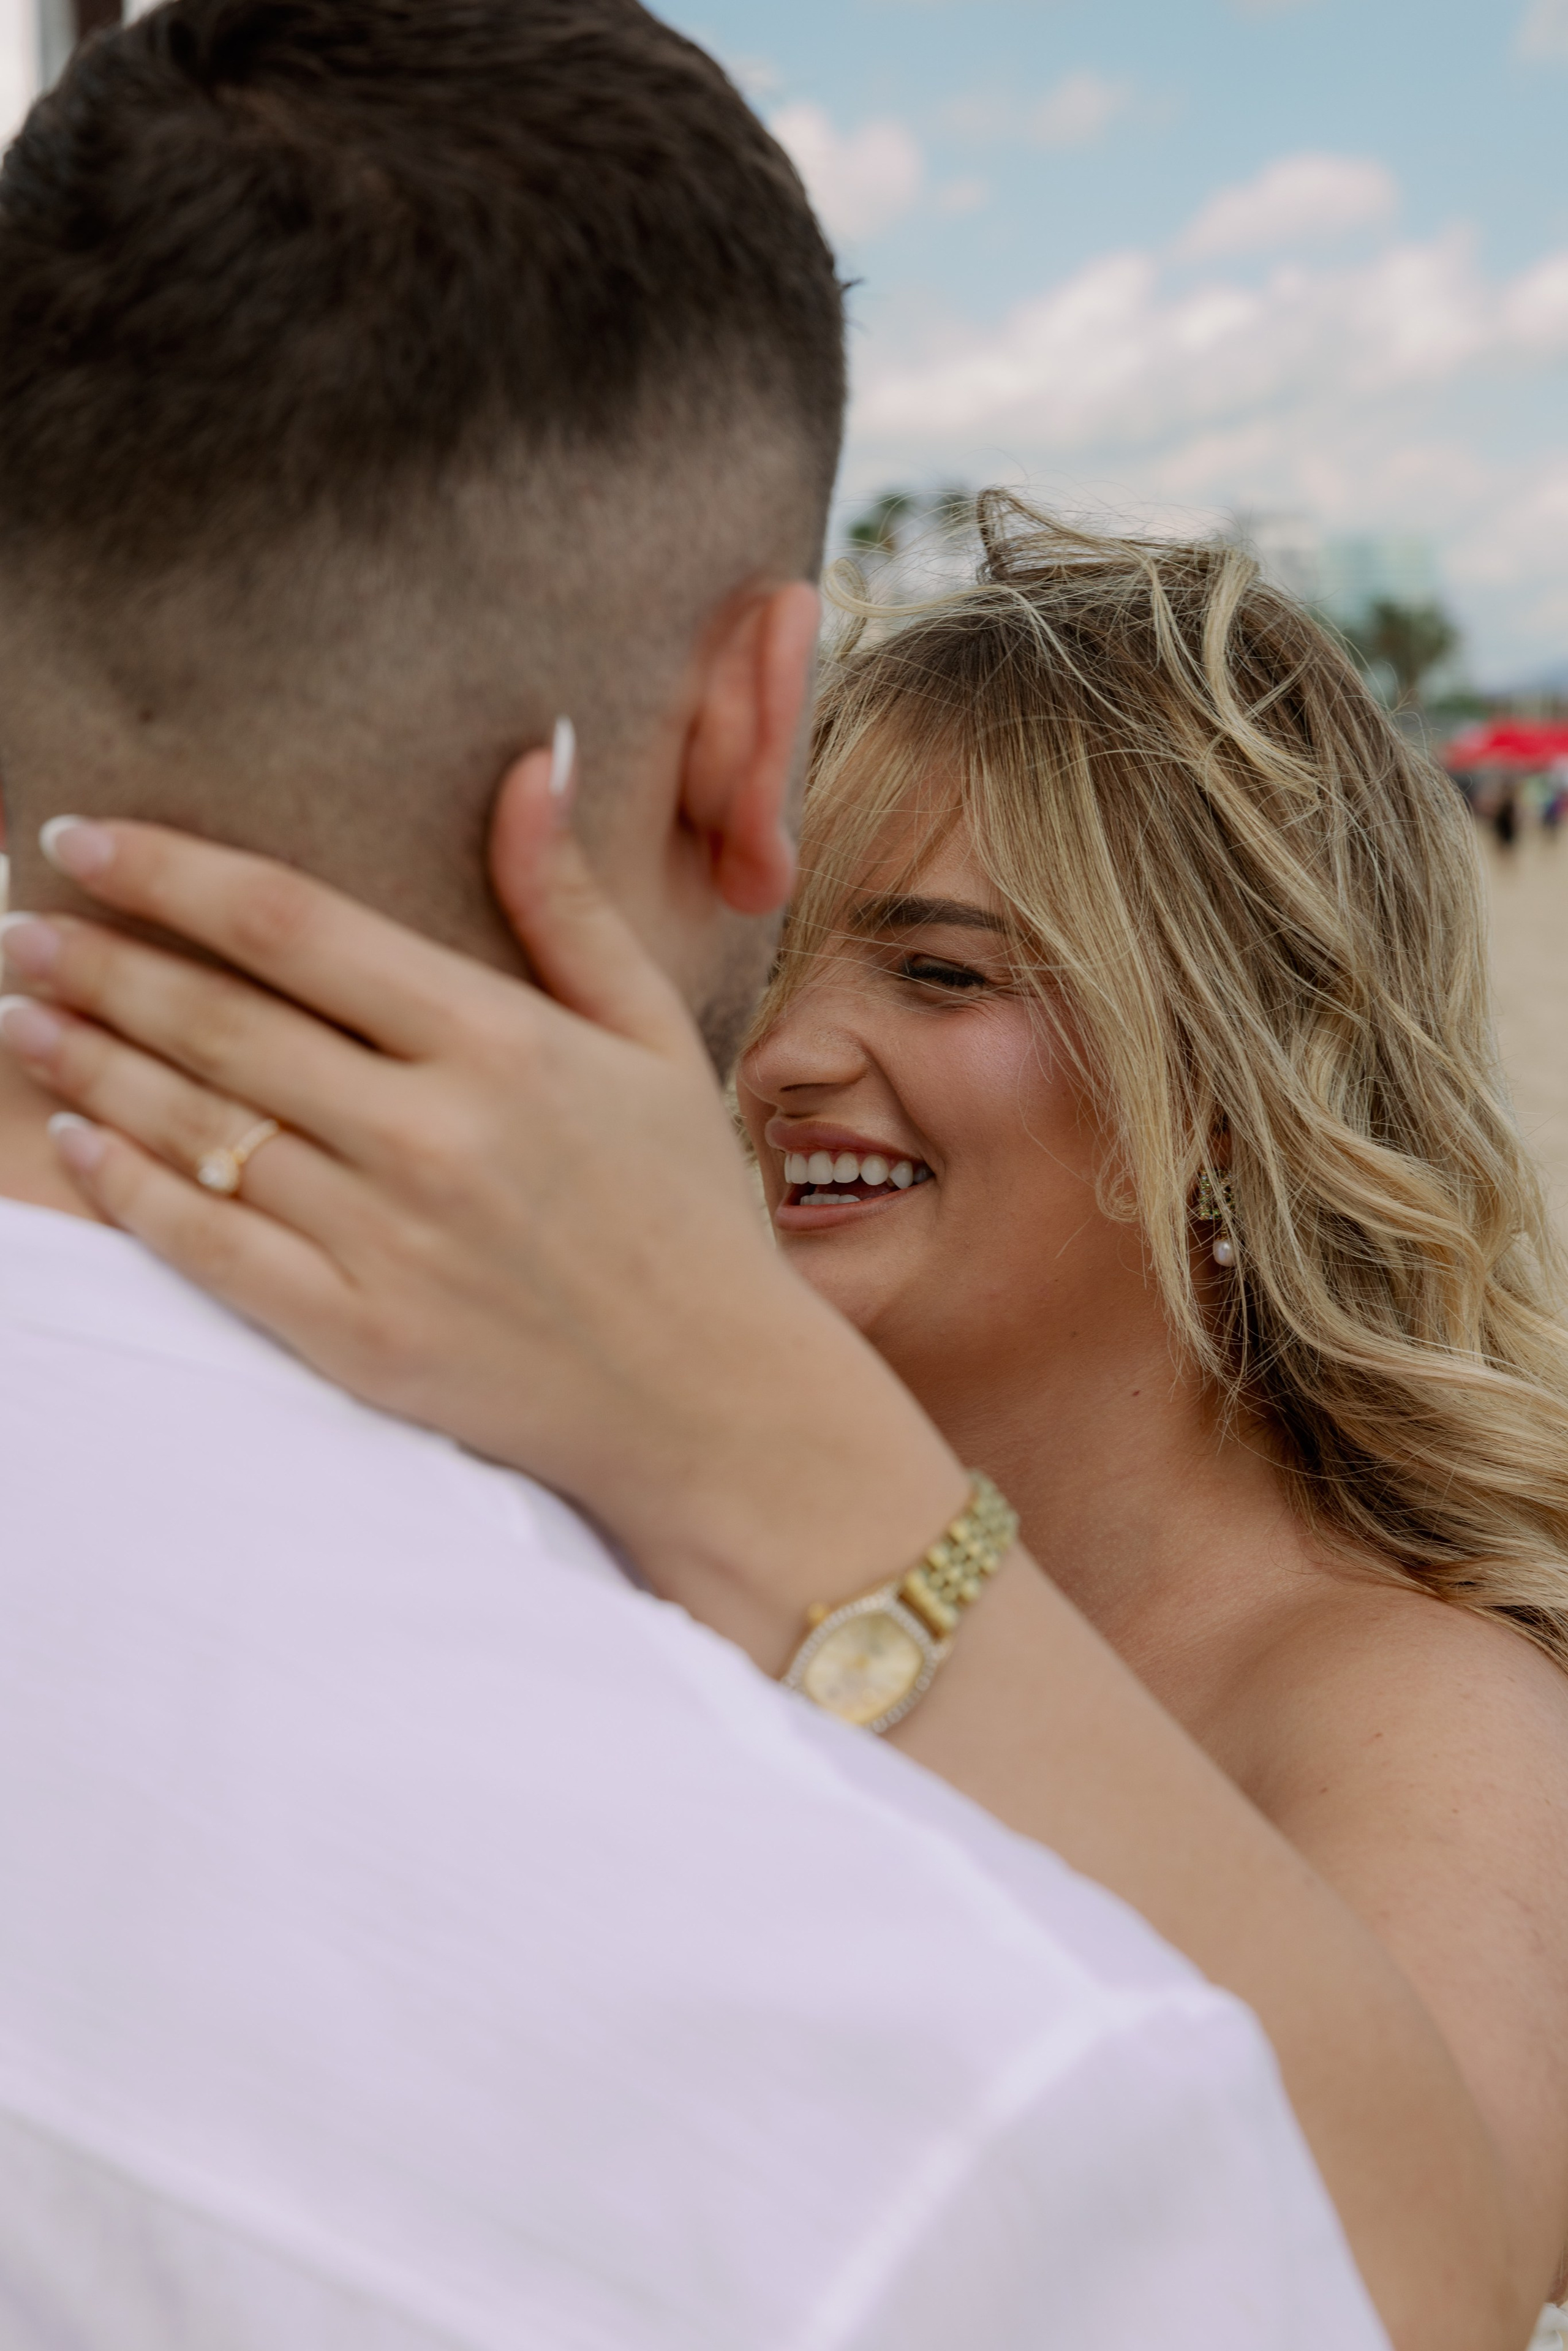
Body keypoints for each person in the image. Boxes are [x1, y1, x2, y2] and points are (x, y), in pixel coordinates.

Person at [0, 4, 1400, 2348]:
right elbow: (1382, 2262)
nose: (802, 1055)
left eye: (939, 965)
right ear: (763, 732)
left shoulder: (1383, 1717)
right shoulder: (970, 2099)